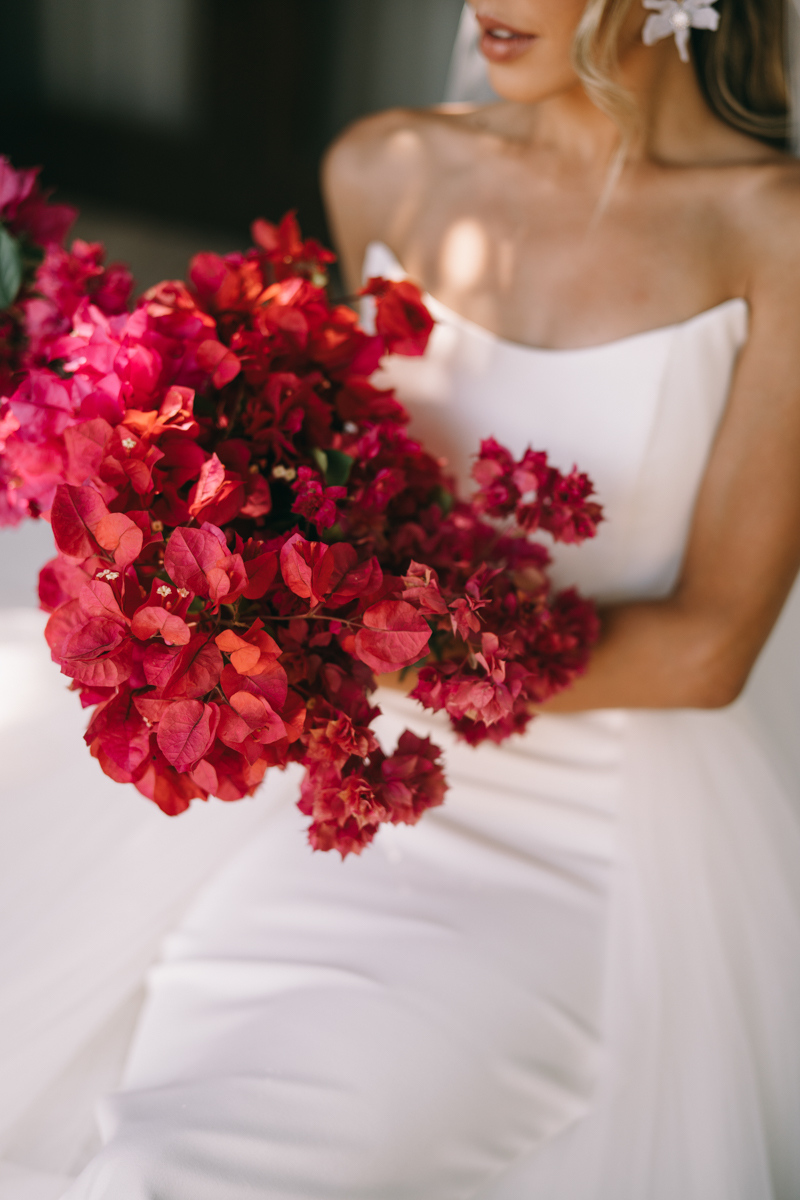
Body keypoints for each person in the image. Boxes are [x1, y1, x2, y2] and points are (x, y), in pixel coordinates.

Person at [59, 1, 800, 1196]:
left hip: (582, 850)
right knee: (160, 1148)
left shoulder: (775, 233)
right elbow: (344, 473)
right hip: (352, 809)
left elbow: (708, 650)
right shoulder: (385, 168)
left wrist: (310, 639)